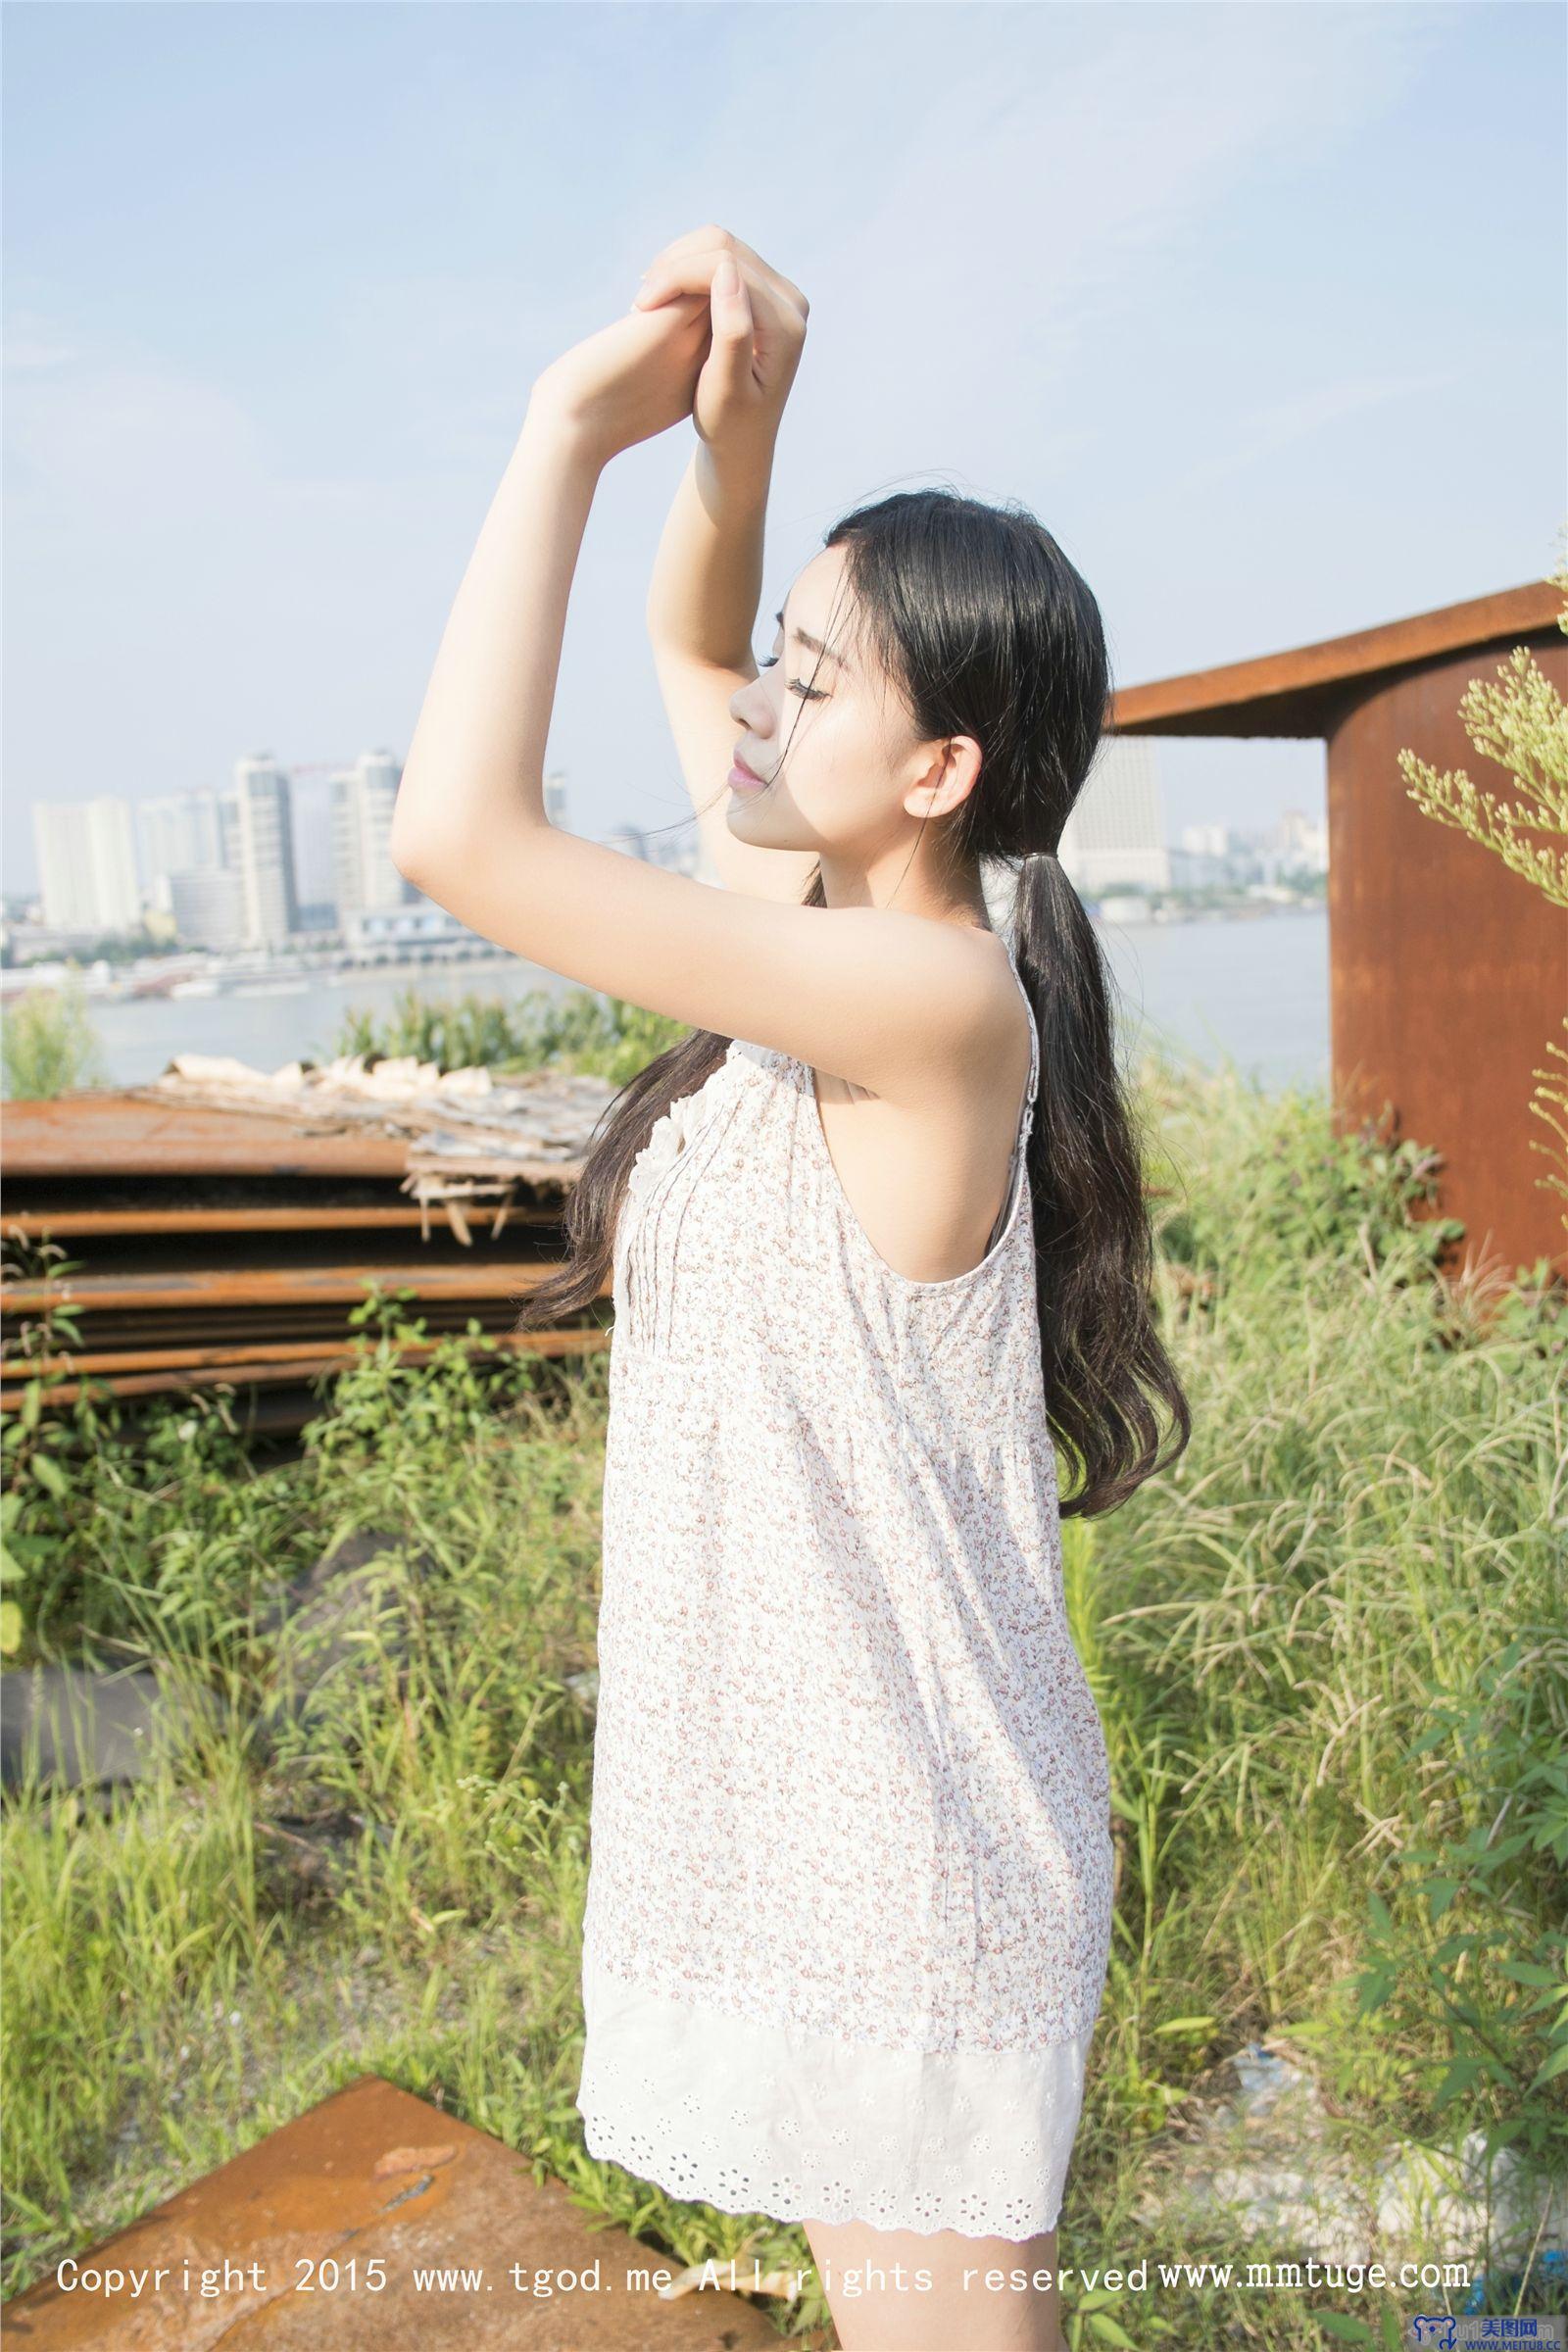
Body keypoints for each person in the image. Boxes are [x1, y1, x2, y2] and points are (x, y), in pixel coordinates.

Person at [392, 223, 1191, 2352]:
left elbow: (458, 834)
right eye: (787, 655)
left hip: (909, 1873)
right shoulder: (820, 895)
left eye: (815, 680)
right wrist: (736, 437)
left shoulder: (925, 998)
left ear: (940, 771)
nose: (760, 700)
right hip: (824, 1837)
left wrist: (564, 430)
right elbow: (684, 633)